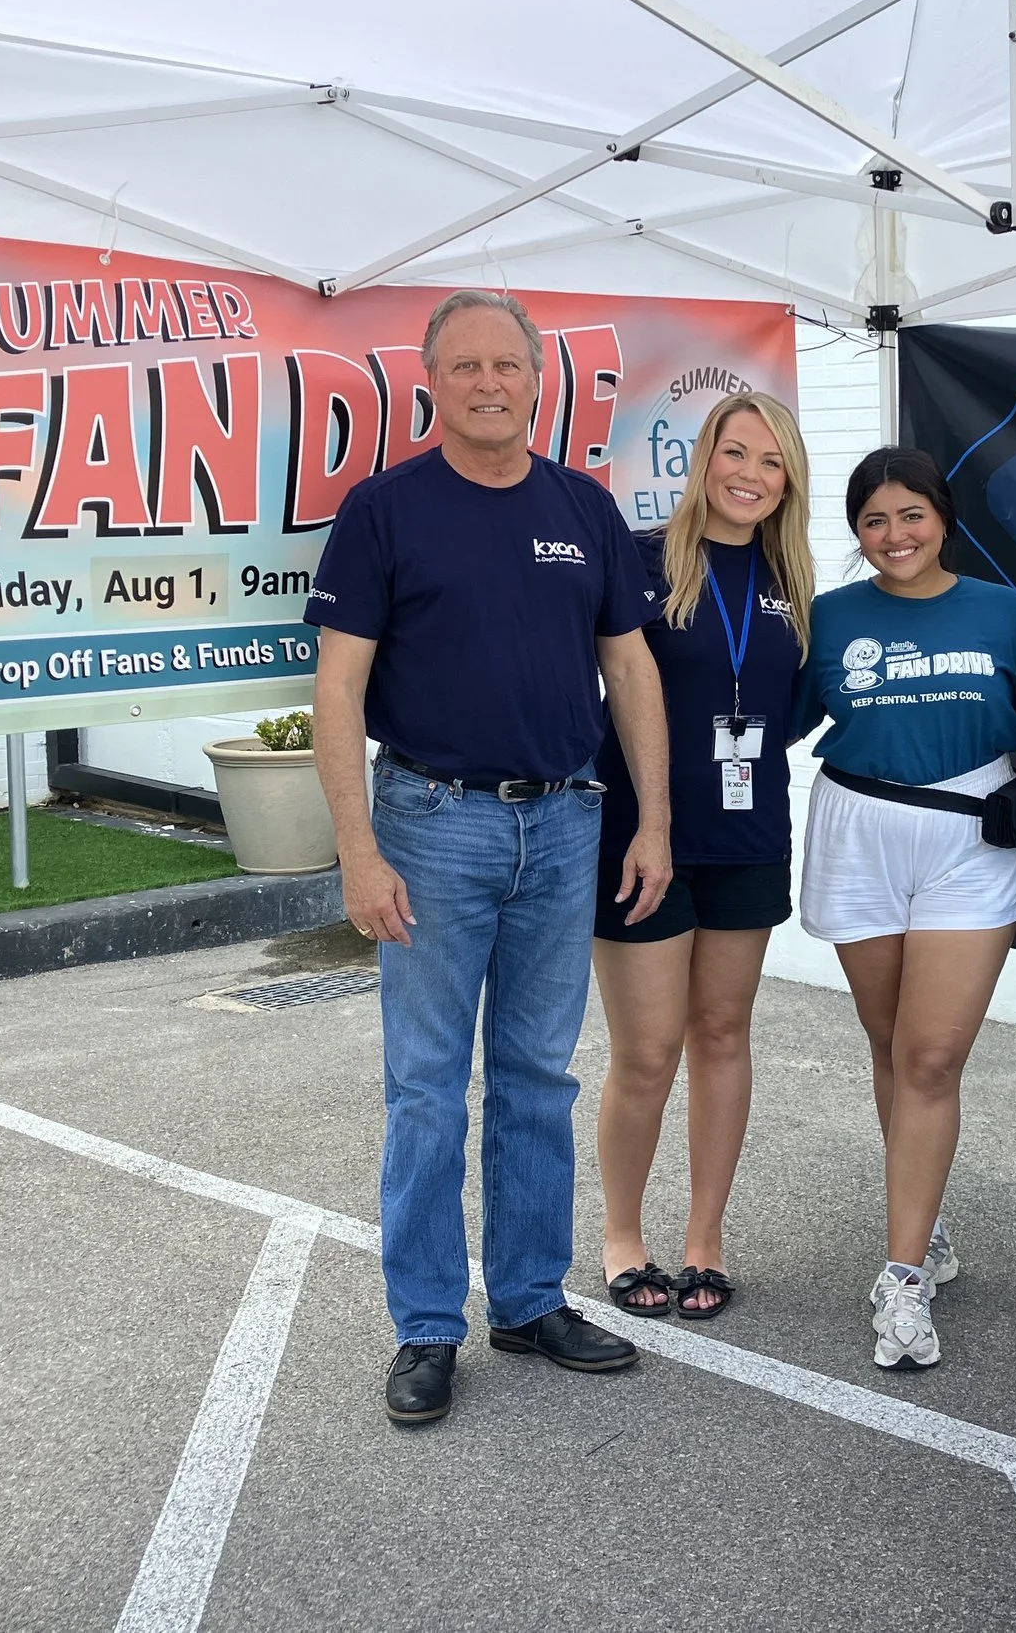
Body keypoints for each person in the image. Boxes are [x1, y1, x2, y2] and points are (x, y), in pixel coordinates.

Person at [308, 288, 674, 1429]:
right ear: (431, 383)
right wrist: (357, 852)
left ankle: (527, 1298)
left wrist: (654, 821)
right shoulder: (384, 511)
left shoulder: (583, 507)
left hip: (564, 822)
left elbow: (631, 669)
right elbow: (337, 687)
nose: (486, 384)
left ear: (535, 379)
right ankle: (426, 1324)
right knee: (426, 1088)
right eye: (463, 366)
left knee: (536, 1076)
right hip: (431, 822)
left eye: (505, 365)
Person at [795, 447, 1016, 1370]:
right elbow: (763, 713)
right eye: (875, 520)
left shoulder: (1004, 613)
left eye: (912, 515)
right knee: (890, 1044)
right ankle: (926, 1224)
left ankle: (900, 1278)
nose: (895, 535)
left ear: (943, 520)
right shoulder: (830, 617)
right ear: (857, 533)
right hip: (858, 827)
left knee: (932, 1054)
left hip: (971, 837)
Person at [593, 391, 814, 1322]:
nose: (750, 474)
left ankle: (705, 1240)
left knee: (722, 1034)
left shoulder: (791, 577)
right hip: (641, 839)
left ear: (789, 479)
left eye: (771, 460)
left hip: (748, 839)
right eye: (735, 452)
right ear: (702, 458)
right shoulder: (642, 560)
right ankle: (622, 1234)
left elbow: (792, 705)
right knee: (647, 1050)